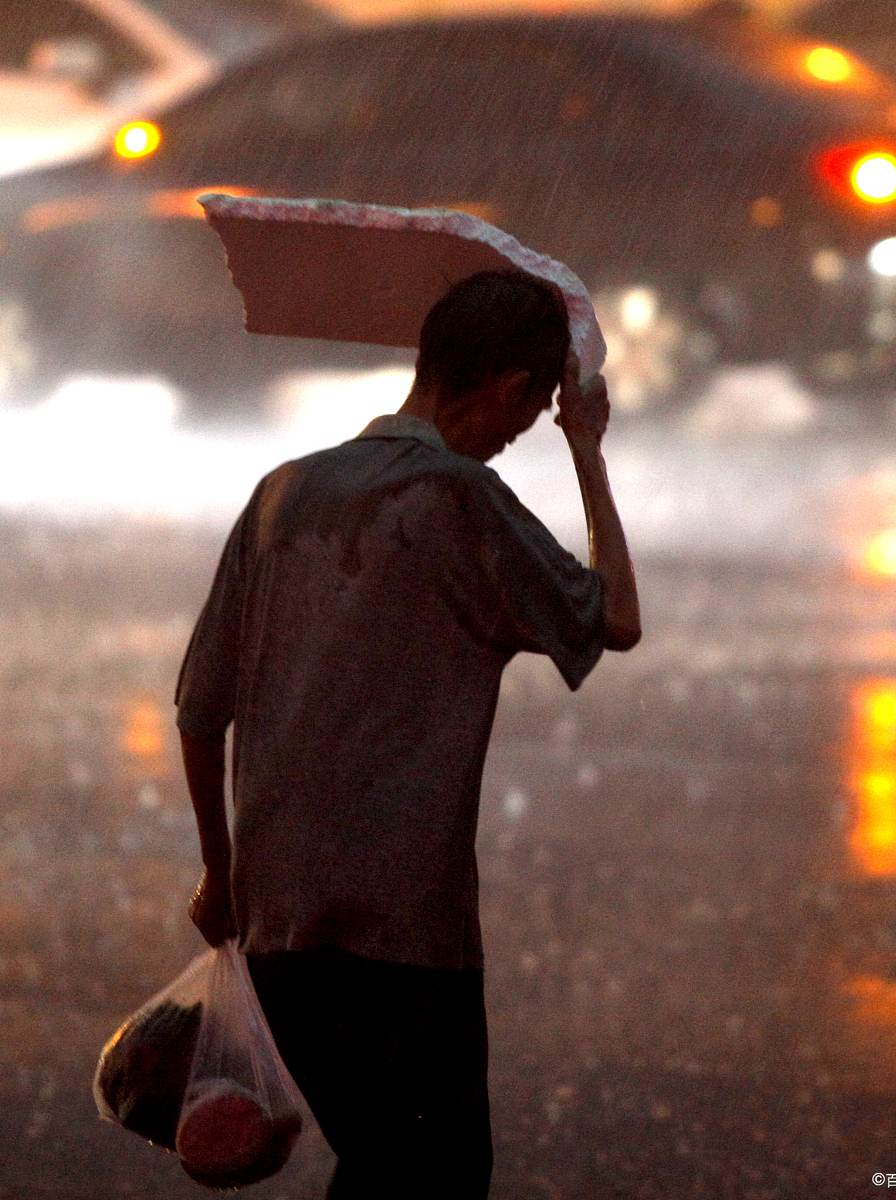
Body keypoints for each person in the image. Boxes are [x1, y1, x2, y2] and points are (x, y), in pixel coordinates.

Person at [175, 267, 641, 1199]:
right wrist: (588, 451)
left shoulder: (283, 492)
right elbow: (616, 618)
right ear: (509, 390)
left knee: (380, 1160)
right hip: (402, 934)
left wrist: (220, 873)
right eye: (532, 412)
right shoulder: (459, 499)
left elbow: (199, 708)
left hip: (279, 919)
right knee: (435, 1173)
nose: (520, 437)